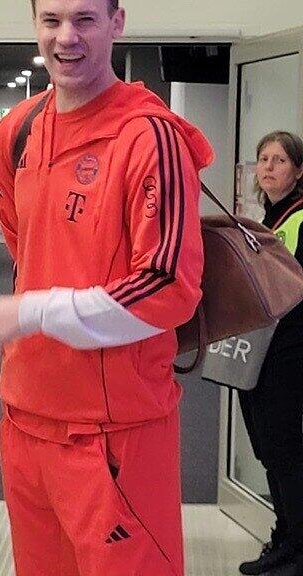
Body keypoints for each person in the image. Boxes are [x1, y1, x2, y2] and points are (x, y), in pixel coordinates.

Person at [0, 0, 214, 574]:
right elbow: (27, 248)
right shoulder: (18, 130)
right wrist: (42, 309)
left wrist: (38, 312)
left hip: (115, 438)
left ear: (117, 22)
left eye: (85, 19)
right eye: (52, 20)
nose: (67, 38)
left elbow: (167, 286)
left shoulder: (150, 137)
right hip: (24, 420)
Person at [237, 131, 303, 576]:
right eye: (263, 159)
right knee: (267, 448)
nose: (269, 167)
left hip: (289, 351)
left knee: (283, 449)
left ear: (298, 171)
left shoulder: (299, 217)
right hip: (260, 349)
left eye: (280, 160)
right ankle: (284, 535)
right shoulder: (266, 218)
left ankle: (296, 548)